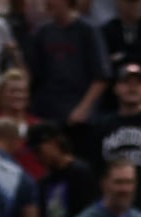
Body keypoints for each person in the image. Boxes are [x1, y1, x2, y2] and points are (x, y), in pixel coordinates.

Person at [26, 0, 109, 130]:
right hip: (47, 113)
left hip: (78, 113)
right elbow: (32, 75)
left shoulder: (87, 31)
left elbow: (101, 77)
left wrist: (83, 109)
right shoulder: (41, 32)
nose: (47, 3)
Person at [91, 61, 141, 169]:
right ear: (115, 88)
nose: (132, 87)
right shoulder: (102, 125)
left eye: (138, 83)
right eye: (126, 82)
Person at [99, 0, 141, 110]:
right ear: (118, 3)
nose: (131, 6)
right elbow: (103, 62)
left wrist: (121, 56)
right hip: (112, 99)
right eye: (128, 2)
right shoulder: (106, 30)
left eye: (135, 2)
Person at [28, 120, 95, 217]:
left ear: (54, 143)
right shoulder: (45, 181)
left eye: (38, 151)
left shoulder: (80, 174)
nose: (37, 158)